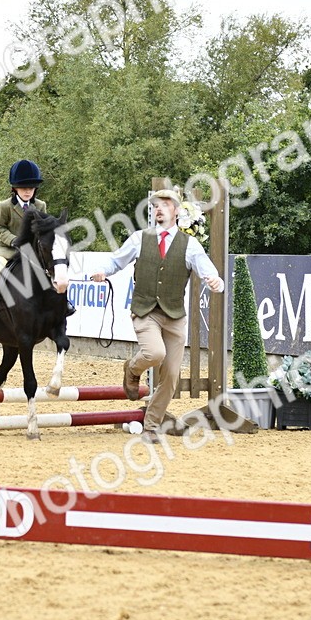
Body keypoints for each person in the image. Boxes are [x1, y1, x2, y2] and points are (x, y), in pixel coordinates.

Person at [90, 189, 224, 441]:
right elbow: (116, 261)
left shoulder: (190, 245)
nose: (158, 209)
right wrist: (101, 271)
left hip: (174, 315)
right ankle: (132, 369)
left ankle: (151, 426)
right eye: (155, 205)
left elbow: (207, 269)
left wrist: (216, 280)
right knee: (155, 353)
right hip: (145, 311)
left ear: (176, 210)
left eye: (165, 204)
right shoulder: (139, 238)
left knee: (171, 375)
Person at [0, 159, 47, 315]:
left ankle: (59, 302)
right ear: (14, 188)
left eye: (31, 188)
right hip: (8, 249)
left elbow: (42, 228)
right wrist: (15, 240)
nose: (27, 191)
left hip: (32, 250)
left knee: (51, 266)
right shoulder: (5, 206)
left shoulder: (40, 206)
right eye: (23, 188)